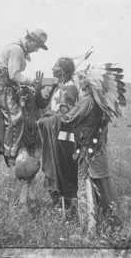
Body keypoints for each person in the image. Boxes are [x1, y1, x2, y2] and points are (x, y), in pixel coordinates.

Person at [60, 63, 126, 235]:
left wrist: (62, 103)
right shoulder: (98, 102)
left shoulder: (87, 101)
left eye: (81, 80)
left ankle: (88, 232)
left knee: (84, 191)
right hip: (97, 153)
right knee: (103, 190)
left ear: (87, 83)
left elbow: (67, 119)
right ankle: (113, 225)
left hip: (87, 155)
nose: (78, 83)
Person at [0, 29, 48, 167]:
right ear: (31, 40)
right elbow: (14, 75)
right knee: (16, 119)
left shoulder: (17, 48)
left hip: (7, 86)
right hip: (3, 88)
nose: (37, 50)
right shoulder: (17, 50)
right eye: (37, 46)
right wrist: (31, 82)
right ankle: (11, 158)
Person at [37, 58, 79, 210]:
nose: (52, 67)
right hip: (52, 135)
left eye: (56, 66)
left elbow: (66, 117)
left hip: (62, 139)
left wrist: (44, 121)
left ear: (64, 71)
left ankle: (65, 207)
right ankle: (58, 205)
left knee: (60, 169)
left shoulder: (70, 88)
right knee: (52, 168)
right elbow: (46, 107)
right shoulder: (58, 87)